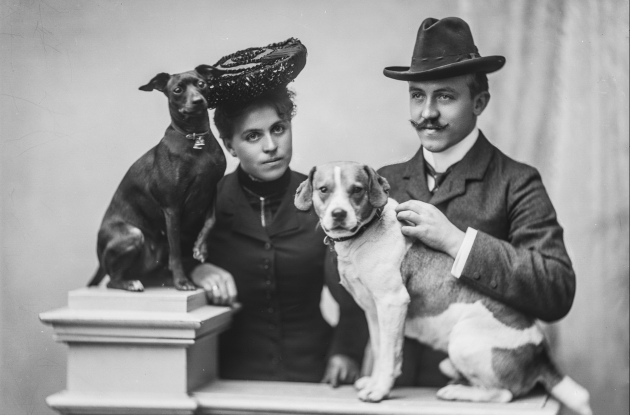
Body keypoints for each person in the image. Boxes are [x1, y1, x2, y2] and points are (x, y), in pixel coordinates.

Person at [378, 17, 576, 387]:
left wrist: (456, 241)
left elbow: (556, 290)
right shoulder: (383, 182)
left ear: (480, 102)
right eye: (418, 95)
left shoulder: (516, 181)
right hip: (397, 390)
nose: (427, 113)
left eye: (446, 96)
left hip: (485, 386)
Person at [191, 39, 368, 385]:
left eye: (278, 129)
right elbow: (154, 260)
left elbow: (359, 285)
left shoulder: (326, 199)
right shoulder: (206, 200)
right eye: (253, 136)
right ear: (229, 145)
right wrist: (196, 270)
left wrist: (347, 349)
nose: (271, 146)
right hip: (228, 376)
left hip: (314, 373)